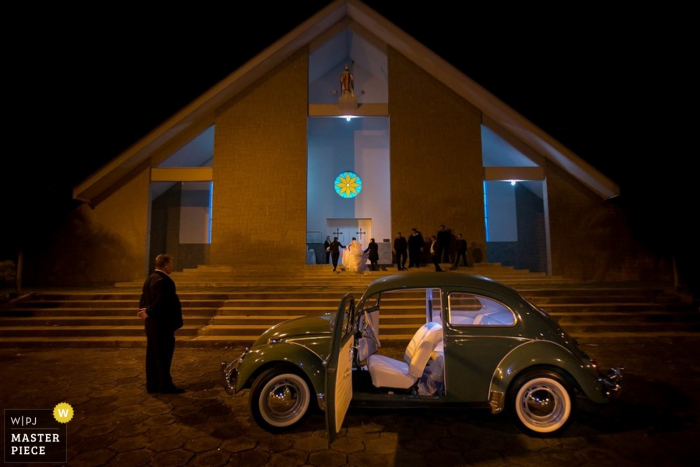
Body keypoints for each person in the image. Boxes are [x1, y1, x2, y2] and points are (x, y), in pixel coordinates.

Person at [138, 254, 184, 394]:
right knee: (164, 355)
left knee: (152, 354)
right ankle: (165, 385)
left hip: (152, 324)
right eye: (171, 264)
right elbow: (163, 302)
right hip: (162, 324)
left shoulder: (150, 278)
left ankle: (152, 384)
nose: (172, 266)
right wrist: (150, 311)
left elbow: (143, 298)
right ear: (165, 265)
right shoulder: (164, 281)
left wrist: (144, 311)